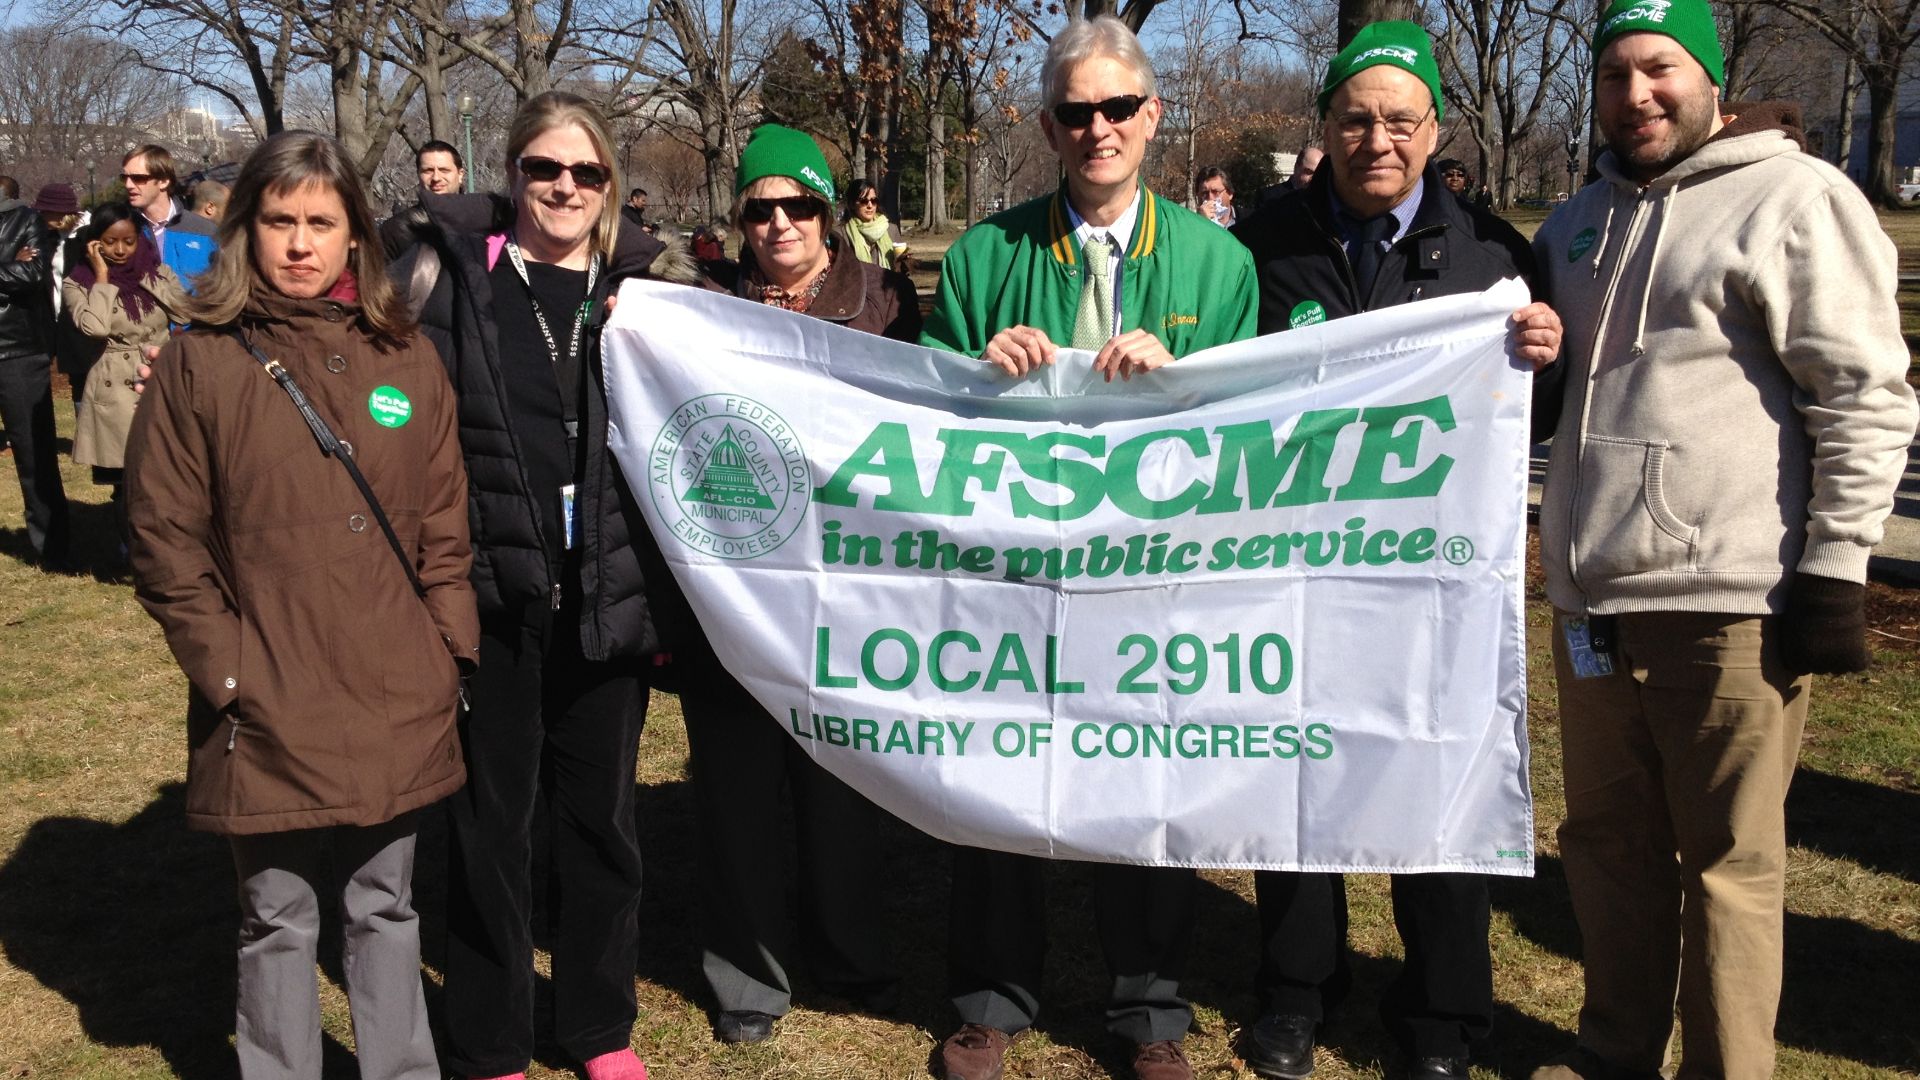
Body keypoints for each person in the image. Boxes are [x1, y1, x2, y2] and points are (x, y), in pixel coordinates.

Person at [1528, 1, 1918, 1077]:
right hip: (1591, 603)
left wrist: (1838, 566)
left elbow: (1865, 398)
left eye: (1659, 68)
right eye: (1614, 73)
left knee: (1728, 867)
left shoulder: (1798, 199)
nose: (1636, 93)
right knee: (1606, 853)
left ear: (1710, 75)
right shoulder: (1576, 221)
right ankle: (1614, 1053)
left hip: (1728, 606)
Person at [919, 17, 1257, 1080]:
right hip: (1012, 576)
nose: (1098, 127)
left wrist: (1186, 371)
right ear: (1049, 123)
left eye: (1119, 107)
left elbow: (1255, 428)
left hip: (1150, 582)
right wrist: (980, 367)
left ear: (1153, 117)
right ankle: (989, 998)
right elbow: (919, 420)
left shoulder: (1218, 260)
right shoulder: (984, 253)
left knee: (1143, 778)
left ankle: (1149, 1013)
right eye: (1077, 110)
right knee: (996, 778)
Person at [1231, 23, 1563, 1080]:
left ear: (1436, 130)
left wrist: (1543, 364)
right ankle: (1296, 991)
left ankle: (1442, 1018)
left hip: (1433, 584)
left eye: (1400, 121)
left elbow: (1526, 416)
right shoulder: (1261, 245)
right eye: (1356, 119)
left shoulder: (1493, 255)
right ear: (1324, 128)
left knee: (1437, 774)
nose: (1379, 139)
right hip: (1291, 569)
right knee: (1292, 776)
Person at [124, 129, 477, 1080]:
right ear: (247, 232)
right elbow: (163, 538)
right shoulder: (203, 364)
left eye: (321, 222)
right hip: (267, 691)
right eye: (279, 220)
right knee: (277, 916)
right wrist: (227, 665)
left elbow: (446, 521)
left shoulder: (406, 358)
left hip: (397, 679)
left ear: (356, 236)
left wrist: (451, 646)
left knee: (385, 904)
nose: (299, 243)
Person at [394, 90, 693, 1080]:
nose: (564, 187)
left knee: (601, 826)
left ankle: (599, 1028)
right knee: (491, 828)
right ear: (512, 173)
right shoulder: (451, 279)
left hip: (606, 601)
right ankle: (491, 1041)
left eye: (586, 172)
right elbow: (384, 394)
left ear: (609, 185)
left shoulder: (648, 295)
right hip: (494, 597)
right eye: (543, 169)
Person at [671, 122, 918, 1047]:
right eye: (760, 207)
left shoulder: (887, 303)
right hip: (735, 591)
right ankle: (746, 975)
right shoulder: (699, 310)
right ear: (739, 220)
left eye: (799, 204)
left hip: (850, 593)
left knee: (842, 776)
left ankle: (849, 955)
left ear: (830, 211)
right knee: (735, 786)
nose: (780, 222)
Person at [65, 201, 188, 541]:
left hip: (161, 375)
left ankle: (174, 540)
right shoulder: (78, 282)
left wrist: (149, 276)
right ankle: (132, 545)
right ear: (94, 243)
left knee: (170, 469)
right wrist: (102, 277)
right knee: (129, 477)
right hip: (116, 384)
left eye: (129, 241)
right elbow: (95, 327)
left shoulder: (157, 272)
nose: (120, 250)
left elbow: (184, 311)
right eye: (109, 242)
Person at [0, 173, 69, 568]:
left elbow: (33, 274)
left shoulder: (25, 220)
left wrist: (16, 270)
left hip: (18, 350)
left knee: (35, 454)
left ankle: (53, 548)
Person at [120, 144, 219, 285]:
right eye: (125, 178)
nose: (128, 185)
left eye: (138, 178)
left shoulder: (206, 231)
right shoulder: (120, 231)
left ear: (164, 181)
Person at [380, 141, 467, 258]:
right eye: (428, 171)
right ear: (418, 175)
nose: (436, 177)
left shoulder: (482, 222)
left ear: (460, 175)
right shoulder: (396, 230)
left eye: (444, 170)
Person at [839, 178, 911, 272]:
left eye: (874, 200)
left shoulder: (891, 230)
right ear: (852, 204)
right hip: (858, 285)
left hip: (886, 285)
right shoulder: (841, 233)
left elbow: (901, 273)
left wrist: (904, 261)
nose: (870, 205)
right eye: (863, 201)